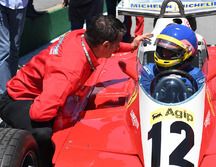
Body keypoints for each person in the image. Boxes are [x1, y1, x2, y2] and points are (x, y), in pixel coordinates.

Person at [0, 15, 151, 166]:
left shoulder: (79, 35)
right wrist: (59, 109)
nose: (117, 47)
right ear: (105, 45)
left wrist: (131, 46)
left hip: (41, 87)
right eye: (116, 44)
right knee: (44, 134)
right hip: (18, 99)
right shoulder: (69, 72)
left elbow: (107, 47)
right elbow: (39, 113)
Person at [140, 24, 204, 95]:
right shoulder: (149, 71)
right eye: (162, 49)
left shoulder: (196, 75)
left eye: (171, 52)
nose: (164, 54)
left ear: (187, 53)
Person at [0, 0, 28, 95]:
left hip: (20, 6)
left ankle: (12, 84)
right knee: (5, 48)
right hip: (2, 4)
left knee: (15, 47)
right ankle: (4, 93)